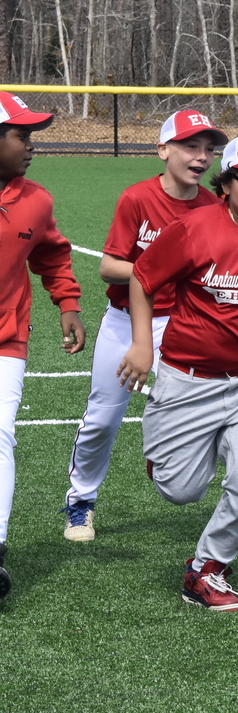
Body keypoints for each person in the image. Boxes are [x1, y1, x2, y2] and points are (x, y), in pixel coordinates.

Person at [116, 133, 238, 612]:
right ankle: (170, 454)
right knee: (180, 489)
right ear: (225, 183)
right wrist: (142, 345)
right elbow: (143, 280)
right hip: (188, 377)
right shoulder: (195, 227)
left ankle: (208, 568)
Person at [61, 109, 225, 542]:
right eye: (190, 146)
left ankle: (163, 456)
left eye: (209, 149)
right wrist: (160, 268)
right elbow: (110, 267)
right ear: (162, 150)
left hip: (186, 324)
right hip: (126, 321)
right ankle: (80, 503)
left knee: (192, 410)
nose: (201, 156)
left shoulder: (213, 206)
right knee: (102, 420)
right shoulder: (137, 198)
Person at [0, 94, 85, 596]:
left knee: (0, 436)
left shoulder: (36, 199)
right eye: (22, 135)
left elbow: (51, 255)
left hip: (6, 339)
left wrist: (68, 303)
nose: (32, 145)